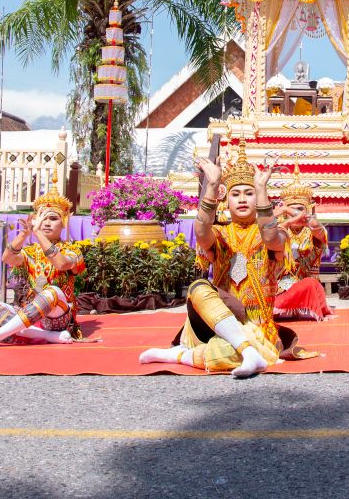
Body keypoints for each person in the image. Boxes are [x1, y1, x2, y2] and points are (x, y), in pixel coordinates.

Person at [139, 139, 313, 377]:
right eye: (236, 194)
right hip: (217, 323)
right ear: (226, 200)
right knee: (198, 287)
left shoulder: (278, 232)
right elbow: (201, 232)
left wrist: (261, 189)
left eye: (249, 193)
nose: (242, 199)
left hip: (256, 327)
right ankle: (247, 352)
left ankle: (181, 355)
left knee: (225, 350)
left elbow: (271, 237)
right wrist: (212, 186)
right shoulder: (220, 234)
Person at [0, 180, 86, 348]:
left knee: (52, 292)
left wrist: (37, 233)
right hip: (32, 316)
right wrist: (24, 235)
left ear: (64, 222)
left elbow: (61, 264)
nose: (46, 223)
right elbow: (7, 258)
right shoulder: (30, 251)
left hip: (59, 316)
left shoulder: (72, 250)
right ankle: (47, 336)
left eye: (53, 218)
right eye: (42, 219)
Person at [272, 162, 334, 321]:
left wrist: (288, 209)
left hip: (307, 287)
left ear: (308, 209)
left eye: (300, 209)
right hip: (282, 288)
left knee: (309, 284)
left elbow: (314, 224)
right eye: (292, 209)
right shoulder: (280, 229)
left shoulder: (313, 231)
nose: (296, 214)